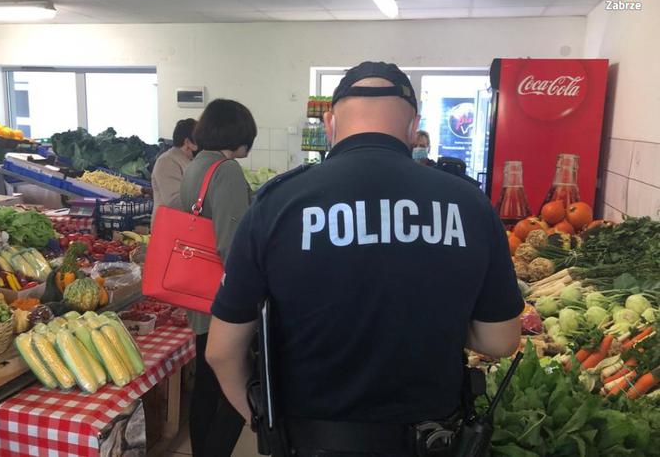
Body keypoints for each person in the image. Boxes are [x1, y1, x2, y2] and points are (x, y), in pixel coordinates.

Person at [205, 62, 523, 456]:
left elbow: (220, 351)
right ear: (413, 126)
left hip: (312, 442)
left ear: (330, 122)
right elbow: (501, 340)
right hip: (431, 441)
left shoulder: (278, 203)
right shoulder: (469, 204)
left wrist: (267, 427)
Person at [179, 99, 257, 457]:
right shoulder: (226, 170)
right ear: (237, 134)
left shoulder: (197, 165)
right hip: (221, 298)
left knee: (207, 389)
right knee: (233, 389)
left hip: (198, 291)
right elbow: (231, 245)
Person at [150, 118, 197, 222]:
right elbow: (174, 201)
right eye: (200, 142)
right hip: (169, 230)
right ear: (188, 142)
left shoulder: (190, 160)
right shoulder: (167, 162)